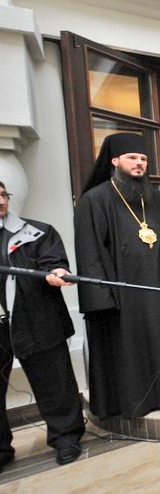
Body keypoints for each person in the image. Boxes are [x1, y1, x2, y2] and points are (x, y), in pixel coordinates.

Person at [74, 133, 160, 419]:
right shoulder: (95, 200)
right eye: (132, 158)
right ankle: (134, 401)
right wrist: (101, 301)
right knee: (128, 351)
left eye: (143, 159)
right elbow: (89, 253)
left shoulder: (158, 201)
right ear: (115, 161)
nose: (139, 164)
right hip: (122, 299)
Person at [0, 181, 85, 470]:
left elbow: (54, 262)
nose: (0, 201)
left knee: (54, 384)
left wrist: (56, 271)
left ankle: (66, 437)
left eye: (2, 195)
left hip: (36, 320)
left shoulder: (36, 232)